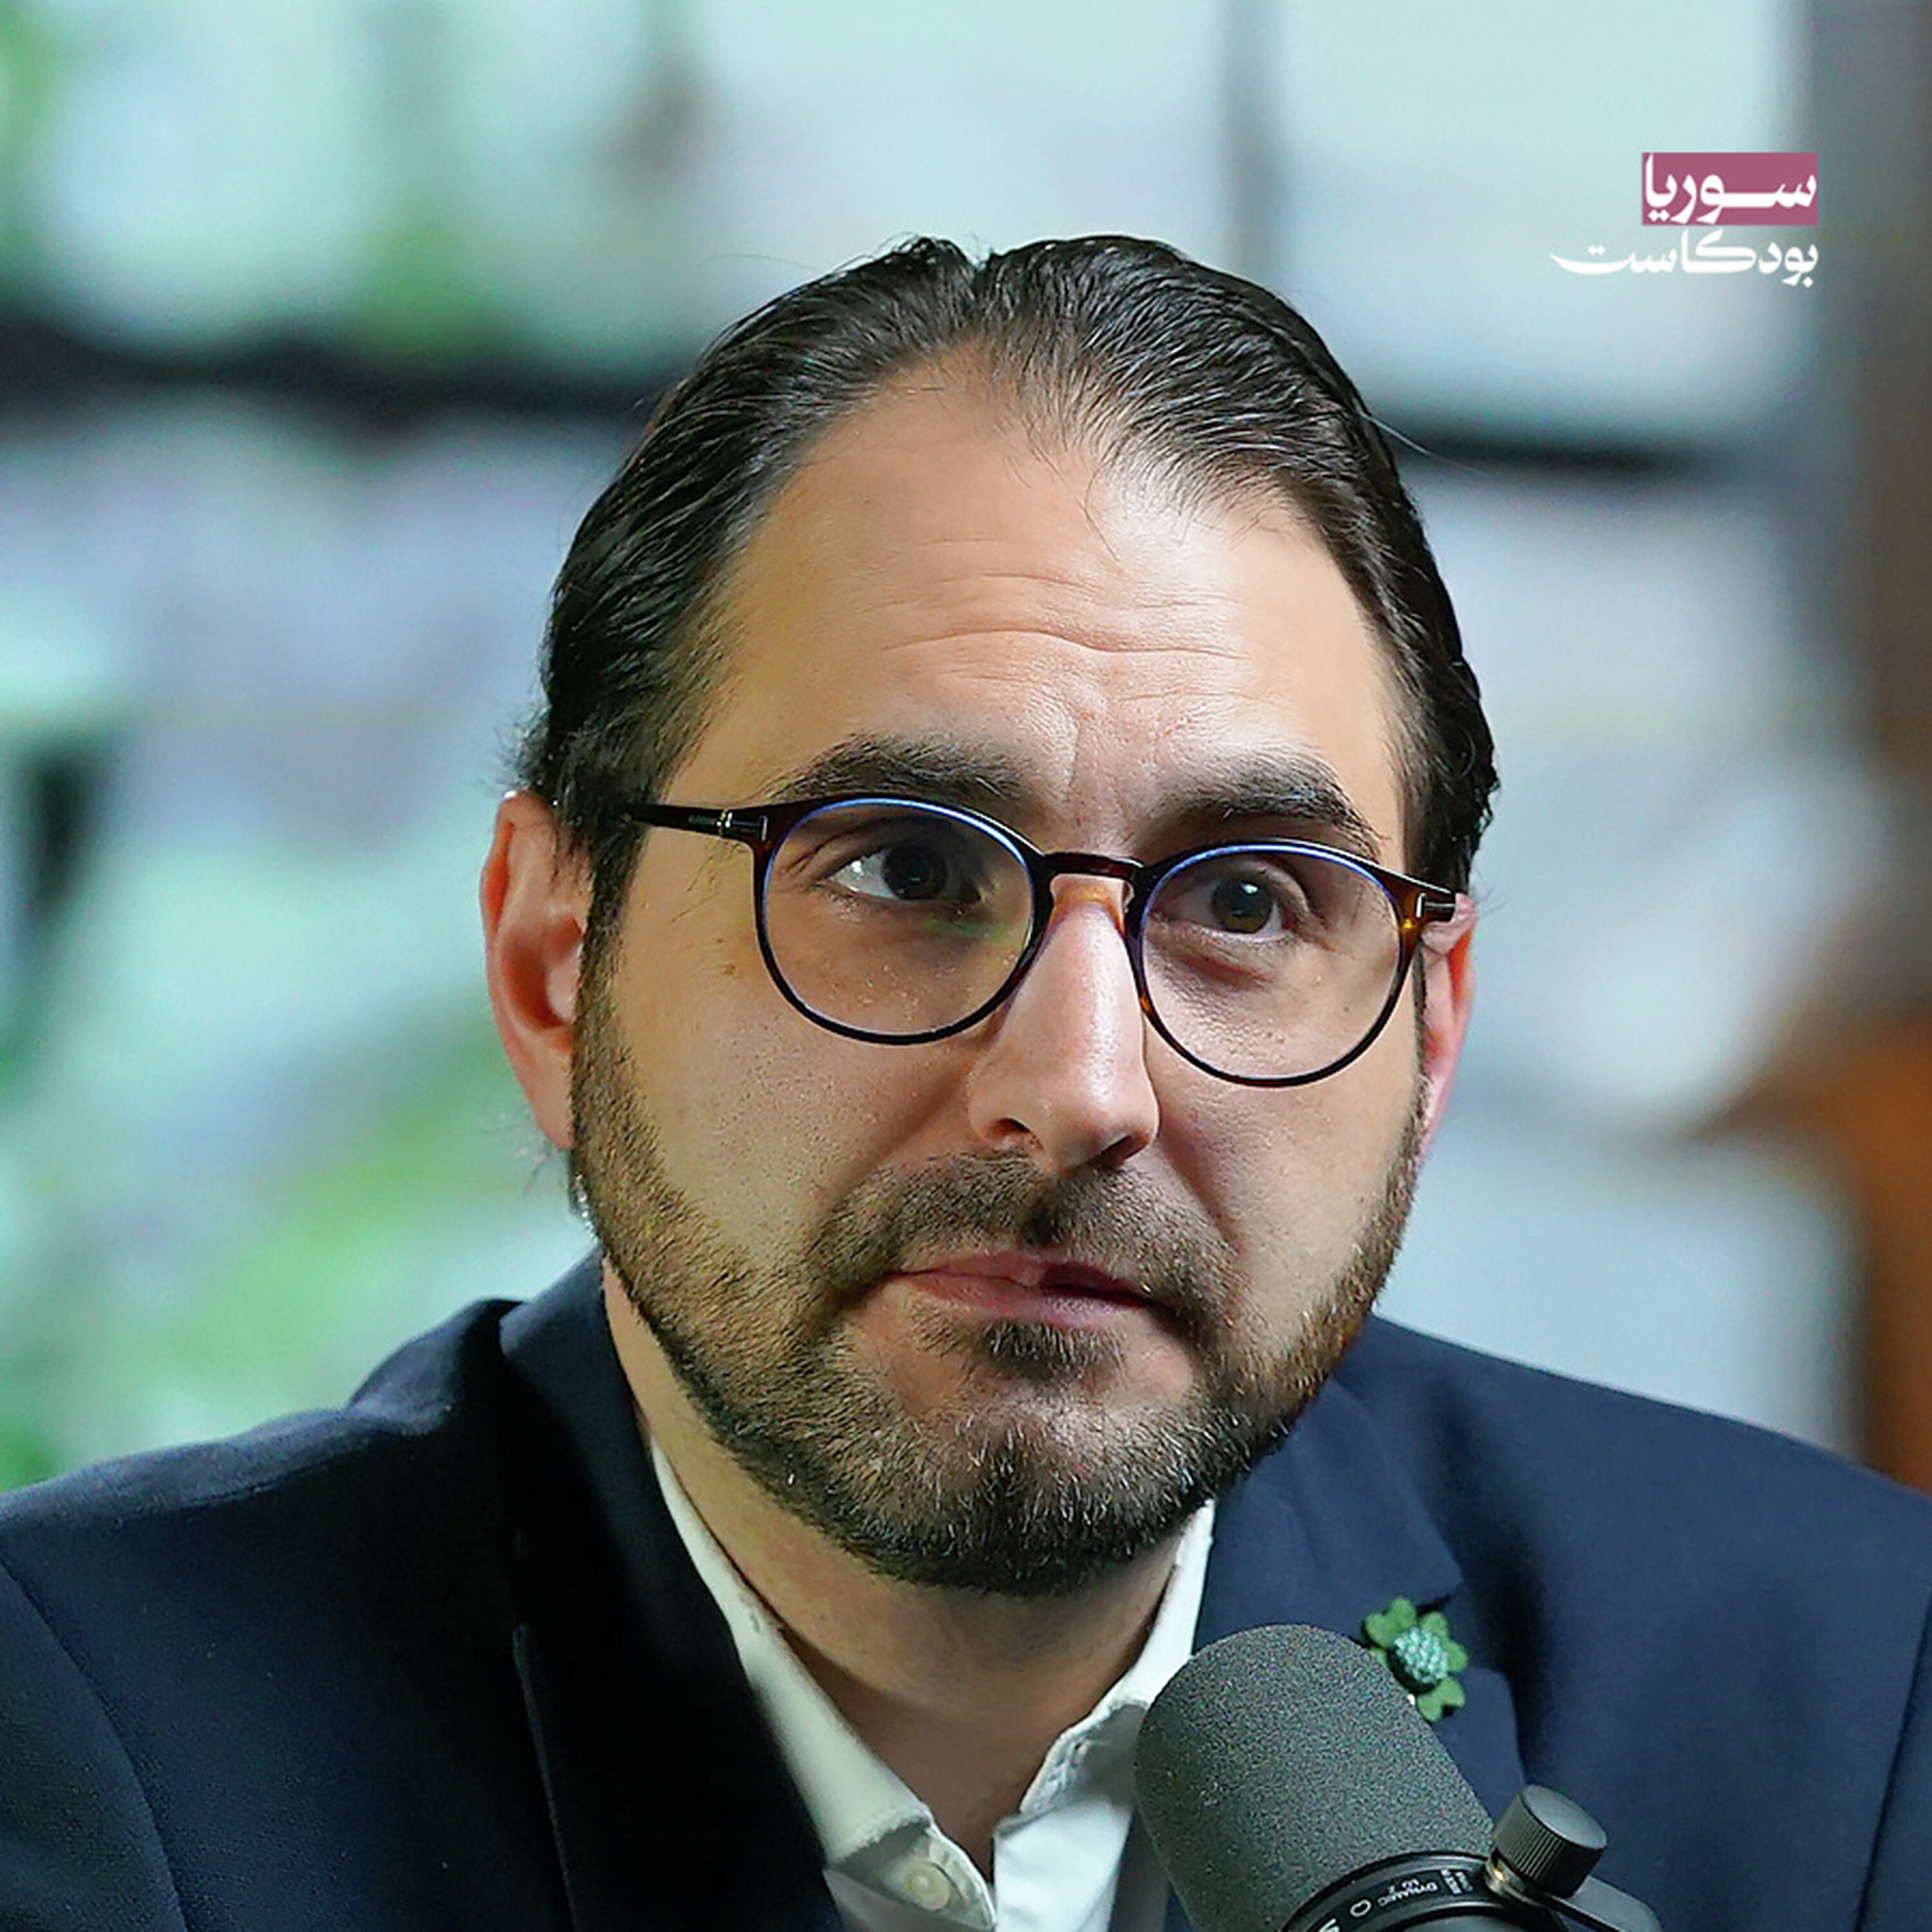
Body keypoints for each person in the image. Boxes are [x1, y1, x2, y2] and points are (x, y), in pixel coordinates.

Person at [1, 236, 1928, 1932]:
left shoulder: (1848, 1702)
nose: (1082, 1087)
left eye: (1246, 902)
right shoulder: (96, 1748)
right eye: (907, 872)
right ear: (555, 963)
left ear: (1428, 1036)